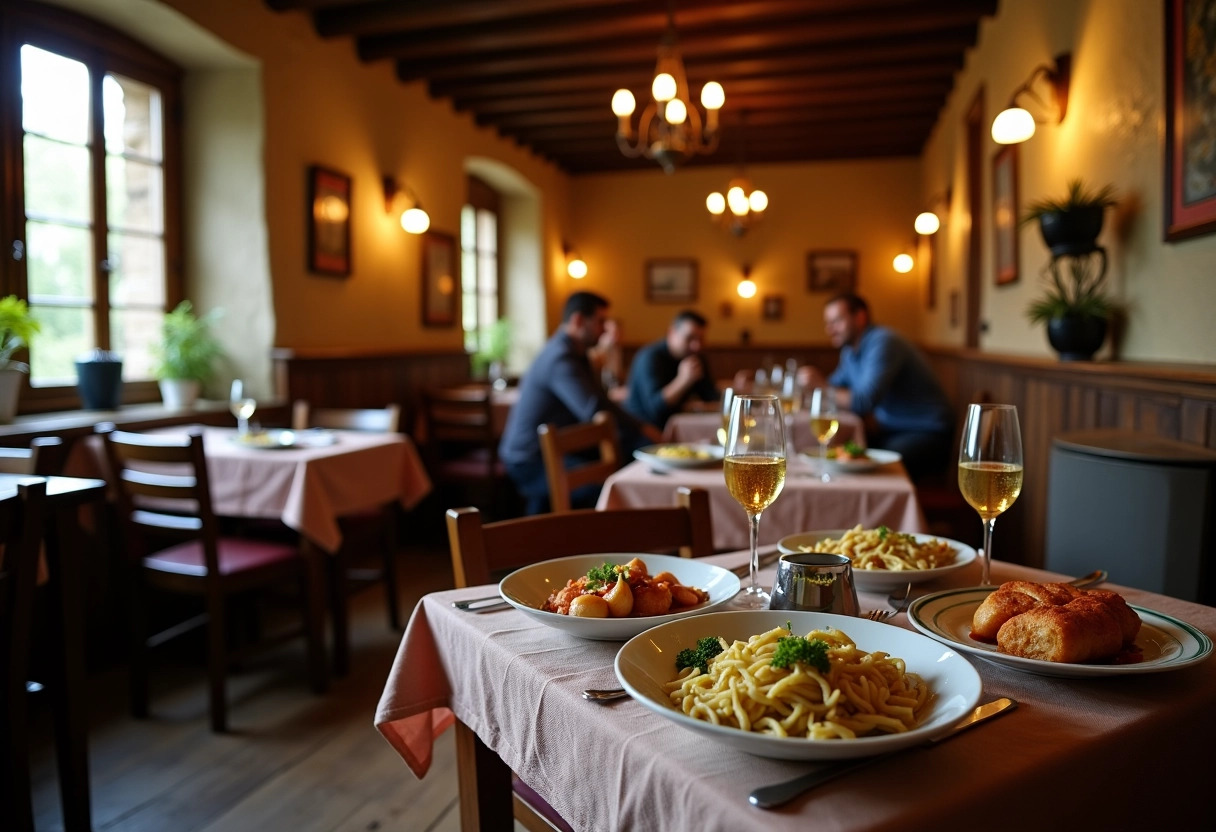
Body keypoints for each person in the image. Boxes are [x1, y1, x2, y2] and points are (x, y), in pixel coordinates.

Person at [499, 292, 662, 514]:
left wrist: (642, 427)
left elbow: (602, 402)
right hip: (529, 460)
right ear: (577, 320)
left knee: (632, 453)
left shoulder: (576, 353)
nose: (605, 329)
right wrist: (640, 429)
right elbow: (593, 410)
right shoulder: (560, 358)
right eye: (600, 322)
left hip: (557, 449)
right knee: (611, 489)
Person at [799, 292, 954, 480]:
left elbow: (863, 401)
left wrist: (820, 386)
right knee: (843, 453)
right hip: (892, 430)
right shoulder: (850, 350)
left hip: (927, 433)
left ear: (860, 317)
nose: (830, 329)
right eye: (828, 323)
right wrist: (817, 388)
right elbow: (834, 387)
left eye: (837, 321)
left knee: (865, 466)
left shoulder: (883, 342)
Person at [624, 309, 719, 429]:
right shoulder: (650, 357)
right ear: (671, 333)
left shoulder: (696, 358)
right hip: (643, 432)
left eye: (701, 339)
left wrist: (734, 390)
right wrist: (683, 381)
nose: (696, 346)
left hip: (679, 427)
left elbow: (710, 396)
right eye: (690, 338)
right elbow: (656, 410)